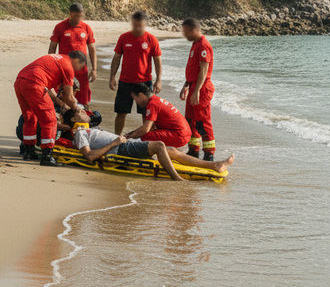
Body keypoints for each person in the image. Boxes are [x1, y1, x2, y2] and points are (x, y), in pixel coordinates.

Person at [62, 108, 234, 181]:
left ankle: (215, 165)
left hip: (124, 144)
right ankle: (178, 179)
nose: (84, 111)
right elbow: (90, 156)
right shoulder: (80, 134)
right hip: (120, 148)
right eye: (79, 112)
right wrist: (115, 142)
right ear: (74, 119)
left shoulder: (88, 130)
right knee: (159, 145)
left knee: (171, 150)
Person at [14, 51, 86, 166]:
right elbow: (69, 96)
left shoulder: (55, 58)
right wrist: (76, 109)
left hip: (20, 81)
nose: (77, 71)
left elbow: (50, 89)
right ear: (77, 61)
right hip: (35, 82)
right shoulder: (68, 66)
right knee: (50, 121)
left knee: (30, 117)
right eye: (79, 67)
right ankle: (47, 156)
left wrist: (59, 102)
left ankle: (29, 152)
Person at [109, 10, 163, 134]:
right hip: (125, 82)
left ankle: (147, 141)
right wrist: (112, 76)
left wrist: (158, 80)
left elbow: (157, 61)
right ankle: (116, 138)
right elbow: (116, 58)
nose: (138, 28)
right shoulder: (124, 37)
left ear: (145, 25)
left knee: (146, 115)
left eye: (140, 26)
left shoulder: (151, 39)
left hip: (144, 83)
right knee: (121, 112)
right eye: (135, 25)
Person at [179, 18, 216, 161]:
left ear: (193, 30)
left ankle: (209, 154)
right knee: (190, 120)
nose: (184, 35)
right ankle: (193, 150)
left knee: (202, 121)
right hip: (194, 85)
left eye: (185, 32)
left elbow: (203, 71)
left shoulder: (204, 45)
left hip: (202, 88)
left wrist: (197, 91)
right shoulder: (195, 44)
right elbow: (193, 70)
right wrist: (186, 85)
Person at [49, 3, 96, 107]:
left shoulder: (86, 28)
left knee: (83, 99)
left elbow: (92, 49)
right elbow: (52, 48)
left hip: (81, 70)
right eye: (75, 16)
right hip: (63, 69)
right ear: (70, 13)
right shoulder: (60, 27)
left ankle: (84, 119)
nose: (77, 19)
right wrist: (51, 68)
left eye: (79, 16)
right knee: (63, 96)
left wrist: (94, 69)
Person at [125, 83, 190, 149]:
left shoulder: (152, 104)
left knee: (143, 137)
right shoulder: (156, 99)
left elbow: (145, 130)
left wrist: (126, 137)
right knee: (149, 134)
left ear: (141, 95)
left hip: (180, 136)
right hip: (185, 133)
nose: (136, 102)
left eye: (135, 99)